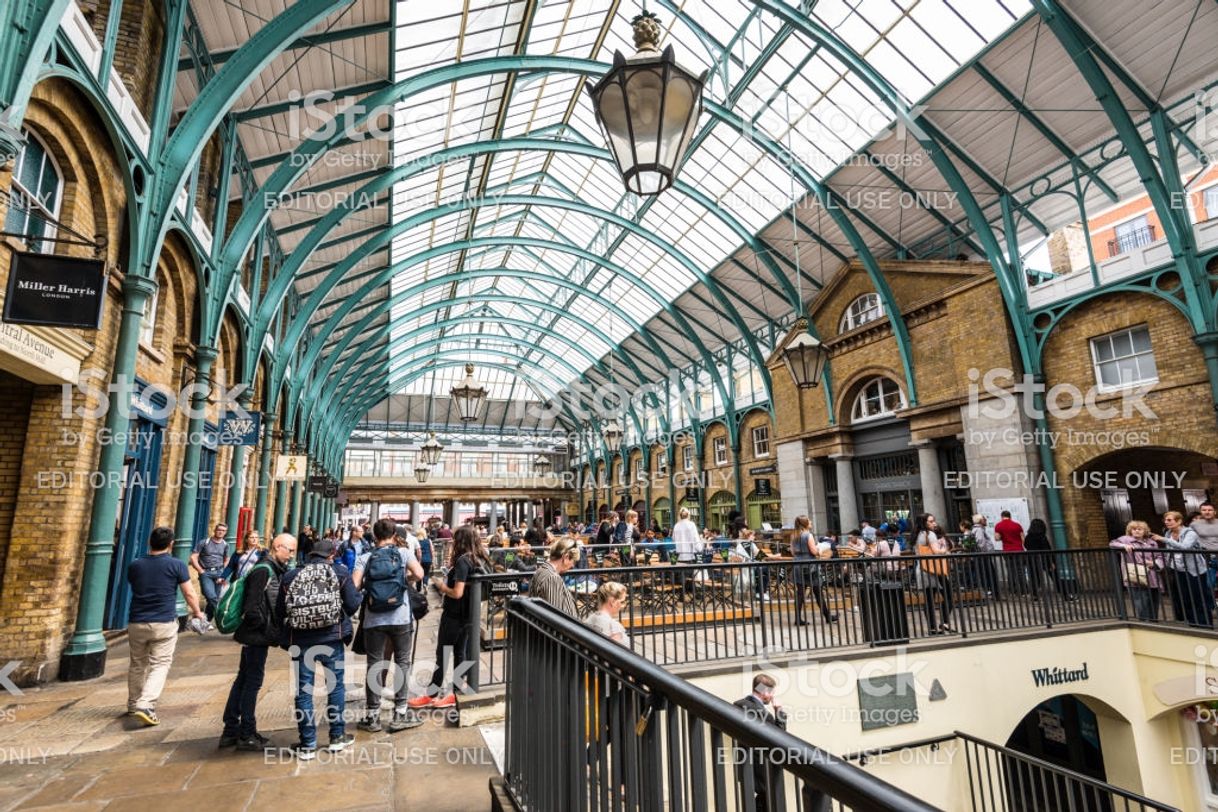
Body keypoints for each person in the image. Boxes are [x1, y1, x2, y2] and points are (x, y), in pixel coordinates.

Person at [276, 537, 361, 760]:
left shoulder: (291, 575)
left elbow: (280, 611)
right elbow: (352, 604)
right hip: (332, 638)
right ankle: (336, 737)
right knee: (335, 687)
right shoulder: (340, 573)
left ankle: (308, 743)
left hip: (301, 640)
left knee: (304, 691)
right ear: (331, 555)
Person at [221, 533, 296, 750]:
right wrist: (267, 629)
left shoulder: (271, 569)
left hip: (255, 636)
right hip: (255, 637)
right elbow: (251, 607)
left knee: (243, 680)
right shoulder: (264, 570)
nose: (291, 555)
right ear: (277, 547)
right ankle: (246, 733)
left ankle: (231, 730)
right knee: (251, 683)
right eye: (289, 550)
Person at [127, 527, 206, 727]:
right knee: (160, 664)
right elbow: (189, 593)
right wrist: (197, 612)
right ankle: (145, 704)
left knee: (137, 663)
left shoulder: (135, 565)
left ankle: (133, 703)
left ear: (149, 543)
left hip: (136, 621)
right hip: (163, 621)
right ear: (171, 544)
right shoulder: (176, 565)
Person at [354, 518, 425, 733]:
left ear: (374, 536)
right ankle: (400, 714)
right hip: (401, 617)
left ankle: (372, 717)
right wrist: (403, 581)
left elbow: (355, 585)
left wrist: (370, 585)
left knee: (374, 665)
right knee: (402, 662)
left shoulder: (365, 557)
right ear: (395, 535)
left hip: (374, 619)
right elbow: (420, 574)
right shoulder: (403, 554)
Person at [409, 525, 492, 709]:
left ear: (461, 540)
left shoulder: (463, 561)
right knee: (460, 653)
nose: (453, 542)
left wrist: (440, 586)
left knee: (443, 654)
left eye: (455, 539)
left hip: (454, 614)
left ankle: (432, 694)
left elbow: (457, 592)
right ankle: (455, 692)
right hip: (469, 614)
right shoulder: (479, 558)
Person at [733, 674, 787, 812]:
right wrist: (779, 712)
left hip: (745, 765)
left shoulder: (739, 705)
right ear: (764, 691)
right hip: (763, 772)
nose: (772, 696)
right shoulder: (764, 715)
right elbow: (779, 738)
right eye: (772, 692)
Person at [1154, 510, 1211, 628]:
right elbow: (1169, 551)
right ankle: (1192, 623)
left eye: (1169, 520)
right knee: (1185, 597)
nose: (1166, 522)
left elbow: (1184, 547)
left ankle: (1205, 624)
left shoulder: (1190, 533)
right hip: (1178, 569)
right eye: (1165, 520)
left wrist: (1163, 539)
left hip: (1194, 570)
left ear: (1179, 521)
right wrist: (1164, 564)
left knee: (1198, 597)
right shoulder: (1168, 533)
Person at [1110, 521, 1164, 621]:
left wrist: (1154, 563)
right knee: (1141, 601)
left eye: (1140, 529)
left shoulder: (1152, 542)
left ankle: (1154, 621)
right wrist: (1124, 546)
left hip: (1152, 574)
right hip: (1135, 575)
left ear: (1145, 531)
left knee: (1154, 600)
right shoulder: (1125, 540)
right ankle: (1144, 622)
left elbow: (1160, 556)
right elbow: (1112, 544)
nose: (1137, 531)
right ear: (1130, 531)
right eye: (1134, 529)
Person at [791, 515, 836, 625]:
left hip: (797, 565)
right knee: (817, 592)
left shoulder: (794, 535)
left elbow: (792, 552)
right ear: (805, 523)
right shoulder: (808, 535)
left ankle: (798, 619)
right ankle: (827, 616)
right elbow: (814, 551)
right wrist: (819, 550)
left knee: (800, 593)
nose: (810, 522)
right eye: (809, 521)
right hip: (810, 566)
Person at [914, 513, 954, 634]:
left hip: (923, 569)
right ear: (924, 523)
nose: (934, 523)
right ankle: (944, 622)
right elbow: (937, 551)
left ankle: (932, 628)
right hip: (935, 569)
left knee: (929, 600)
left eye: (933, 521)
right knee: (948, 596)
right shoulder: (929, 534)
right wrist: (945, 550)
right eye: (931, 521)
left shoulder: (917, 534)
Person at [528, 537, 581, 618]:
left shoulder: (541, 570)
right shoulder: (552, 578)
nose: (573, 565)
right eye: (573, 561)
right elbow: (555, 619)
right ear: (566, 557)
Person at [190, 522, 229, 621]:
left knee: (213, 598)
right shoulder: (204, 542)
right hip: (206, 573)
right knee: (211, 596)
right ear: (215, 530)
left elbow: (226, 559)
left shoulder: (225, 544)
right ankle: (222, 616)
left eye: (223, 531)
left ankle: (206, 621)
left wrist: (224, 573)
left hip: (219, 573)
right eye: (219, 530)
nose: (221, 532)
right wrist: (200, 570)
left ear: (225, 533)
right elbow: (193, 557)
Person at [1191, 502, 1218, 618]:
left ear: (1214, 511)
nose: (1207, 512)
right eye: (1204, 510)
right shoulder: (1194, 524)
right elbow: (1187, 536)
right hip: (1207, 558)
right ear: (1201, 512)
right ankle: (1212, 607)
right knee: (1209, 584)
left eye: (1210, 510)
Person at [993, 510, 1027, 597]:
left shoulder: (998, 525)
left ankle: (1013, 591)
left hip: (1008, 551)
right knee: (1020, 570)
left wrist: (1003, 537)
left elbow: (997, 538)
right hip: (1019, 550)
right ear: (1010, 516)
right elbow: (1023, 539)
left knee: (1010, 570)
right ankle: (1024, 591)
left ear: (1002, 516)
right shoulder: (1017, 525)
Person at [585, 581, 629, 645]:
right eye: (622, 602)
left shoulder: (589, 619)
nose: (623, 606)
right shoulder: (613, 627)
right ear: (612, 602)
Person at [970, 514, 1000, 599]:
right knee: (990, 574)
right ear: (980, 521)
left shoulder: (979, 529)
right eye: (984, 519)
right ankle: (993, 593)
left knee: (988, 574)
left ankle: (993, 592)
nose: (986, 520)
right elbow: (981, 542)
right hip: (983, 556)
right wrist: (985, 552)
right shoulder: (979, 530)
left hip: (982, 556)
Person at [416, 527, 433, 592]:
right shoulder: (429, 541)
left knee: (418, 574)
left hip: (419, 560)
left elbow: (418, 552)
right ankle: (425, 584)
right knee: (426, 573)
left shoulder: (416, 541)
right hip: (428, 559)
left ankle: (418, 589)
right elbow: (432, 551)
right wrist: (432, 559)